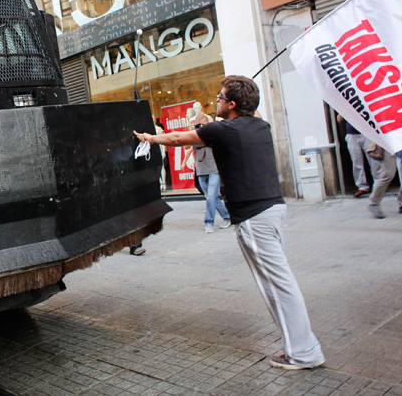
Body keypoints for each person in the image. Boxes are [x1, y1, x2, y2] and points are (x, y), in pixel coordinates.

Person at [134, 75, 325, 370]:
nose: (216, 101)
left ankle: (304, 352)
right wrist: (244, 94)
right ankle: (300, 348)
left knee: (277, 286)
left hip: (254, 217)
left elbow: (175, 139)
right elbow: (252, 109)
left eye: (220, 97)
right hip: (273, 210)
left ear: (232, 104)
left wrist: (148, 138)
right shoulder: (261, 124)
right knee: (277, 283)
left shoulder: (222, 130)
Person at [183, 113, 231, 233]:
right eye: (200, 125)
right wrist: (191, 133)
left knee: (210, 197)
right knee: (212, 197)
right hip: (201, 170)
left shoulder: (213, 134)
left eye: (204, 125)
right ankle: (227, 217)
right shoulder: (195, 135)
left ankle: (209, 222)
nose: (202, 127)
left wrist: (205, 131)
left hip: (213, 169)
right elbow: (185, 147)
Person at [337, 116, 370, 198]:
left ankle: (379, 184)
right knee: (356, 162)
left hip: (367, 132)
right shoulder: (347, 104)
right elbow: (339, 119)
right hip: (352, 134)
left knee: (373, 159)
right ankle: (362, 186)